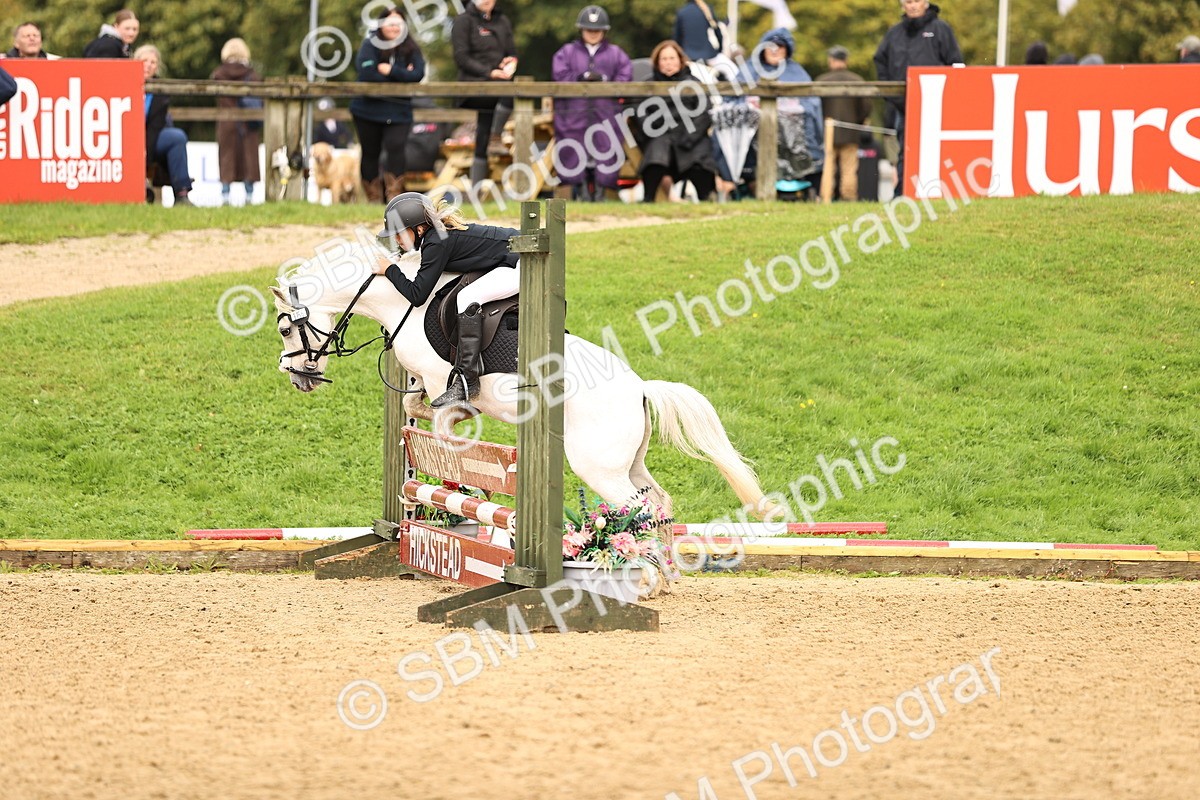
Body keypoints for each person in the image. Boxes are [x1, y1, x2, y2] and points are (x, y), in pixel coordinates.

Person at [372, 193, 520, 408]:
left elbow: (417, 296)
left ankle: (467, 381)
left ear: (419, 229)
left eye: (399, 234)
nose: (395, 240)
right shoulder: (435, 237)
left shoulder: (436, 243)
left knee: (468, 297)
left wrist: (390, 270)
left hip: (525, 263)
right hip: (515, 256)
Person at [873, 0, 962, 192]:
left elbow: (955, 64)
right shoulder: (894, 33)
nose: (912, 6)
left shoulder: (941, 30)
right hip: (902, 106)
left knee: (937, 150)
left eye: (917, 1)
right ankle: (904, 192)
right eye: (908, 1)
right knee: (906, 150)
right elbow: (880, 61)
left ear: (926, 3)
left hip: (936, 106)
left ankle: (940, 190)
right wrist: (891, 95)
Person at [550, 5, 632, 201]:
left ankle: (606, 193)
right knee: (570, 149)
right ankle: (573, 192)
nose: (593, 34)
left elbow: (626, 77)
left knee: (608, 148)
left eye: (597, 30)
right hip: (573, 113)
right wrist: (581, 77)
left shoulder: (616, 53)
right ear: (581, 30)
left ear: (604, 31)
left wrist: (604, 81)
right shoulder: (567, 52)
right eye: (589, 30)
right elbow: (559, 75)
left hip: (605, 113)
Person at [350, 6, 426, 203]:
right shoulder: (369, 44)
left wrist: (390, 70)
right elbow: (366, 72)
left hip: (399, 111)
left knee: (396, 148)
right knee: (370, 152)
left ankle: (395, 197)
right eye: (390, 23)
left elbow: (417, 74)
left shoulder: (412, 49)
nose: (394, 27)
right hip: (367, 110)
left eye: (398, 23)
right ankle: (373, 198)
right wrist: (402, 76)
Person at [633, 40, 718, 202]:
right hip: (660, 134)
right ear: (657, 62)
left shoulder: (694, 83)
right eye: (663, 59)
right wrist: (656, 127)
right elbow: (640, 112)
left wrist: (689, 137)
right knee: (655, 156)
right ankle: (648, 198)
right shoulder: (648, 84)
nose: (668, 63)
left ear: (680, 60)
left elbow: (704, 113)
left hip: (691, 136)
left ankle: (707, 198)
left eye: (672, 58)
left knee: (700, 159)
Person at [742, 28, 824, 192]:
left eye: (780, 46)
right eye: (770, 45)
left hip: (793, 135)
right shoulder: (748, 70)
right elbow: (732, 99)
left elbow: (811, 104)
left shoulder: (797, 72)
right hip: (754, 134)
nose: (775, 50)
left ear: (787, 50)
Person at [451, 0, 517, 186]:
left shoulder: (503, 21)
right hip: (473, 86)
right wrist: (490, 72)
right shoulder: (463, 21)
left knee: (482, 134)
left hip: (498, 87)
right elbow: (461, 57)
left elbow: (511, 51)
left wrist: (510, 62)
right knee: (506, 93)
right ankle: (495, 138)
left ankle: (476, 191)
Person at [134, 45, 194, 206]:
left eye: (153, 62)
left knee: (176, 137)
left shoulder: (161, 91)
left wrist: (145, 157)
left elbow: (155, 127)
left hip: (149, 137)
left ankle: (181, 193)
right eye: (144, 60)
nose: (148, 65)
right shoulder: (122, 84)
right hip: (125, 137)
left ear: (157, 67)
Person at [210, 38, 262, 206]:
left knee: (226, 158)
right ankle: (249, 196)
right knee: (249, 159)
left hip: (226, 122)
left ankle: (225, 195)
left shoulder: (218, 74)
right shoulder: (252, 75)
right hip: (248, 122)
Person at [816, 45, 871, 201]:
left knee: (828, 167)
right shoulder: (857, 80)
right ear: (845, 60)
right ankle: (848, 198)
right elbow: (866, 107)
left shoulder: (822, 81)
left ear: (831, 60)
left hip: (827, 132)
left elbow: (815, 107)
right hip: (850, 132)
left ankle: (826, 196)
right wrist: (858, 122)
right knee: (849, 169)